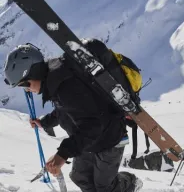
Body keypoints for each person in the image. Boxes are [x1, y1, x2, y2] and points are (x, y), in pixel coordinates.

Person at [4, 43, 143, 192]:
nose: (28, 89)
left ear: (35, 72)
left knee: (104, 187)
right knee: (80, 177)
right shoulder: (55, 81)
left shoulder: (65, 86)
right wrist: (44, 122)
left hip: (109, 139)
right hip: (88, 142)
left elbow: (93, 124)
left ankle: (131, 183)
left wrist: (62, 154)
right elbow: (65, 111)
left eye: (26, 84)